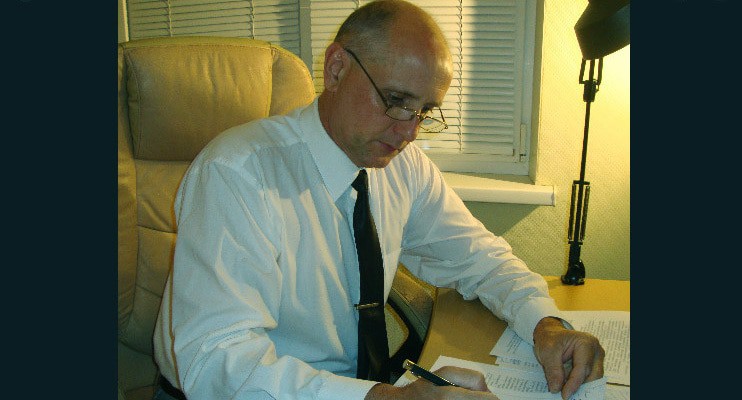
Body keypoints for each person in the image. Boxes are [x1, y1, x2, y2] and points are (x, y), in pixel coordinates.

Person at [153, 1, 605, 399]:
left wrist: (545, 325)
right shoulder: (236, 173)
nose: (409, 132)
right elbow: (215, 363)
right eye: (395, 100)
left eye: (424, 112)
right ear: (336, 69)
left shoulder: (401, 165)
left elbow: (479, 258)